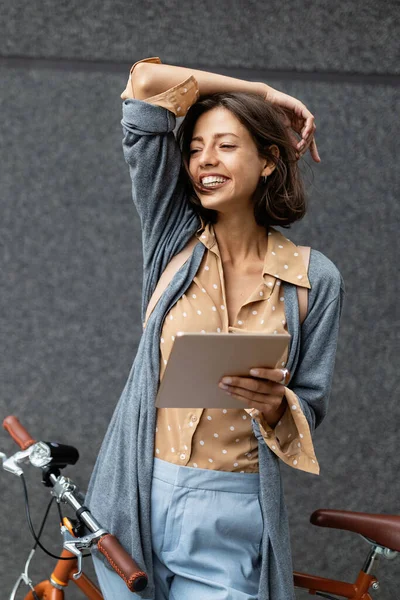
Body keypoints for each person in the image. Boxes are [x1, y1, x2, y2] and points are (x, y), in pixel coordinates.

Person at [87, 57, 344, 600]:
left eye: (226, 145)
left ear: (268, 161)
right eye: (197, 147)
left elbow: (310, 404)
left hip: (232, 504)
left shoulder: (312, 280)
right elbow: (144, 84)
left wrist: (276, 404)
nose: (205, 160)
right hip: (139, 490)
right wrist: (261, 91)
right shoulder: (171, 238)